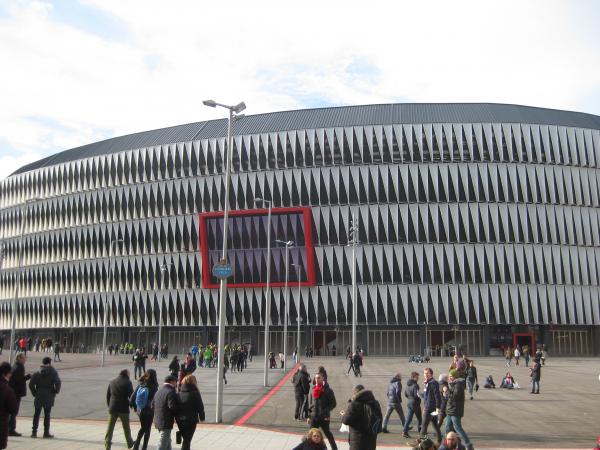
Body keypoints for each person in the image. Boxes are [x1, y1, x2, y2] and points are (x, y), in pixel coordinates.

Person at [340, 384, 382, 450]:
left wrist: (343, 415)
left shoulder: (354, 404)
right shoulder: (375, 403)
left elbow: (346, 420)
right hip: (371, 439)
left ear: (355, 393)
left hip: (357, 440)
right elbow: (380, 418)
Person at [29, 356, 61, 438]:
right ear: (50, 363)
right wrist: (56, 391)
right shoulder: (53, 372)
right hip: (49, 394)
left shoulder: (37, 372)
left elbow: (31, 384)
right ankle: (46, 432)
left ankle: (34, 432)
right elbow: (58, 382)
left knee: (36, 414)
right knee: (47, 414)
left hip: (39, 393)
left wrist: (34, 393)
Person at [105, 369, 135, 450]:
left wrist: (109, 406)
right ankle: (129, 443)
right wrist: (133, 406)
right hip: (123, 409)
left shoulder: (112, 382)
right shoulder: (128, 382)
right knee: (126, 427)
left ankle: (107, 445)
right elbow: (131, 396)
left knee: (110, 428)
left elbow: (108, 396)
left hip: (112, 408)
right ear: (126, 374)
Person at [445, 370, 474, 450]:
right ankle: (447, 444)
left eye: (451, 376)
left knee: (458, 428)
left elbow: (454, 398)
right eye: (449, 376)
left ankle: (468, 445)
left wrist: (447, 392)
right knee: (447, 428)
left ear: (455, 376)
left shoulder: (458, 385)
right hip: (450, 410)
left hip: (455, 411)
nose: (449, 377)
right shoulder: (453, 384)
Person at [308, 371, 338, 450]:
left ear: (323, 379)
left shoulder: (328, 390)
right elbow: (311, 403)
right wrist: (309, 415)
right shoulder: (313, 389)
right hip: (314, 417)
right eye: (315, 378)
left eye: (319, 378)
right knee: (310, 435)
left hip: (324, 417)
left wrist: (325, 411)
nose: (317, 379)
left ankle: (335, 448)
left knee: (328, 434)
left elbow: (333, 403)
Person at [130, 369, 158, 450]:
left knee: (143, 427)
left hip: (140, 410)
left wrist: (136, 408)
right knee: (147, 429)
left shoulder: (141, 383)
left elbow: (132, 397)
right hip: (149, 410)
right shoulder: (154, 386)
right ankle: (144, 447)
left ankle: (136, 445)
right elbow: (155, 399)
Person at [176, 375, 205, 450]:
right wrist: (202, 417)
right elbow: (200, 407)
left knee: (186, 439)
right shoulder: (195, 393)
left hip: (180, 419)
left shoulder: (179, 393)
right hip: (191, 420)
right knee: (187, 440)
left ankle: (182, 438)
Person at [152, 374, 180, 450]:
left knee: (167, 441)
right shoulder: (171, 392)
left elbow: (152, 405)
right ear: (172, 382)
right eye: (175, 382)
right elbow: (172, 407)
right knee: (163, 442)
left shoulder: (158, 391)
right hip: (166, 421)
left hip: (157, 420)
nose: (176, 383)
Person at [8, 353, 30, 437]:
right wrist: (28, 376)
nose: (25, 360)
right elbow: (19, 380)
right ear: (19, 358)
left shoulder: (15, 366)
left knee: (12, 411)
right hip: (16, 392)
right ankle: (11, 429)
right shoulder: (19, 367)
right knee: (14, 411)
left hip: (13, 391)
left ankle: (9, 428)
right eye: (24, 358)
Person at [420, 367, 442, 445]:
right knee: (435, 424)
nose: (425, 375)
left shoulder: (433, 383)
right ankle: (439, 440)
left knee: (424, 427)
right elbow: (428, 395)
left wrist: (438, 408)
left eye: (427, 373)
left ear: (431, 374)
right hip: (429, 407)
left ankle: (423, 444)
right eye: (424, 373)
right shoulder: (428, 382)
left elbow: (437, 396)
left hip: (430, 408)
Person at [0, 362, 17, 450]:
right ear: (4, 374)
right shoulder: (7, 390)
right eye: (9, 373)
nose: (10, 375)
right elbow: (13, 408)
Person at [403, 371, 422, 438]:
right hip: (415, 403)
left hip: (409, 402)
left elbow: (405, 394)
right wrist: (421, 397)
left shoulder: (408, 384)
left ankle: (405, 431)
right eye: (417, 377)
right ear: (414, 377)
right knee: (419, 418)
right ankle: (421, 431)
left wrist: (410, 398)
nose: (418, 378)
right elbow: (416, 395)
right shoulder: (415, 385)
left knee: (409, 418)